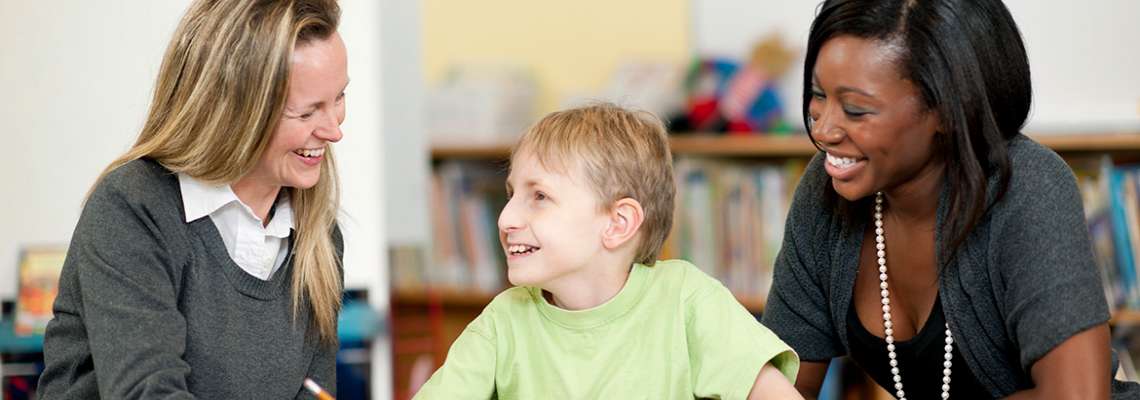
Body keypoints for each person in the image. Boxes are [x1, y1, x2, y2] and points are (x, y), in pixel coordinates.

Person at [761, 0, 1140, 398]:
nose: (824, 130)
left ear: (946, 107)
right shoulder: (824, 195)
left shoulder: (1027, 186)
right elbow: (781, 387)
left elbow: (1076, 397)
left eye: (856, 110)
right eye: (818, 95)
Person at [37, 0, 349, 398]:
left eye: (338, 98)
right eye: (306, 113)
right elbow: (148, 392)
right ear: (236, 112)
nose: (334, 130)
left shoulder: (319, 238)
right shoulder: (132, 209)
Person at [414, 104, 801, 399]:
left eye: (540, 196)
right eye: (512, 194)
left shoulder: (688, 300)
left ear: (618, 224)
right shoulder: (503, 322)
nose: (506, 218)